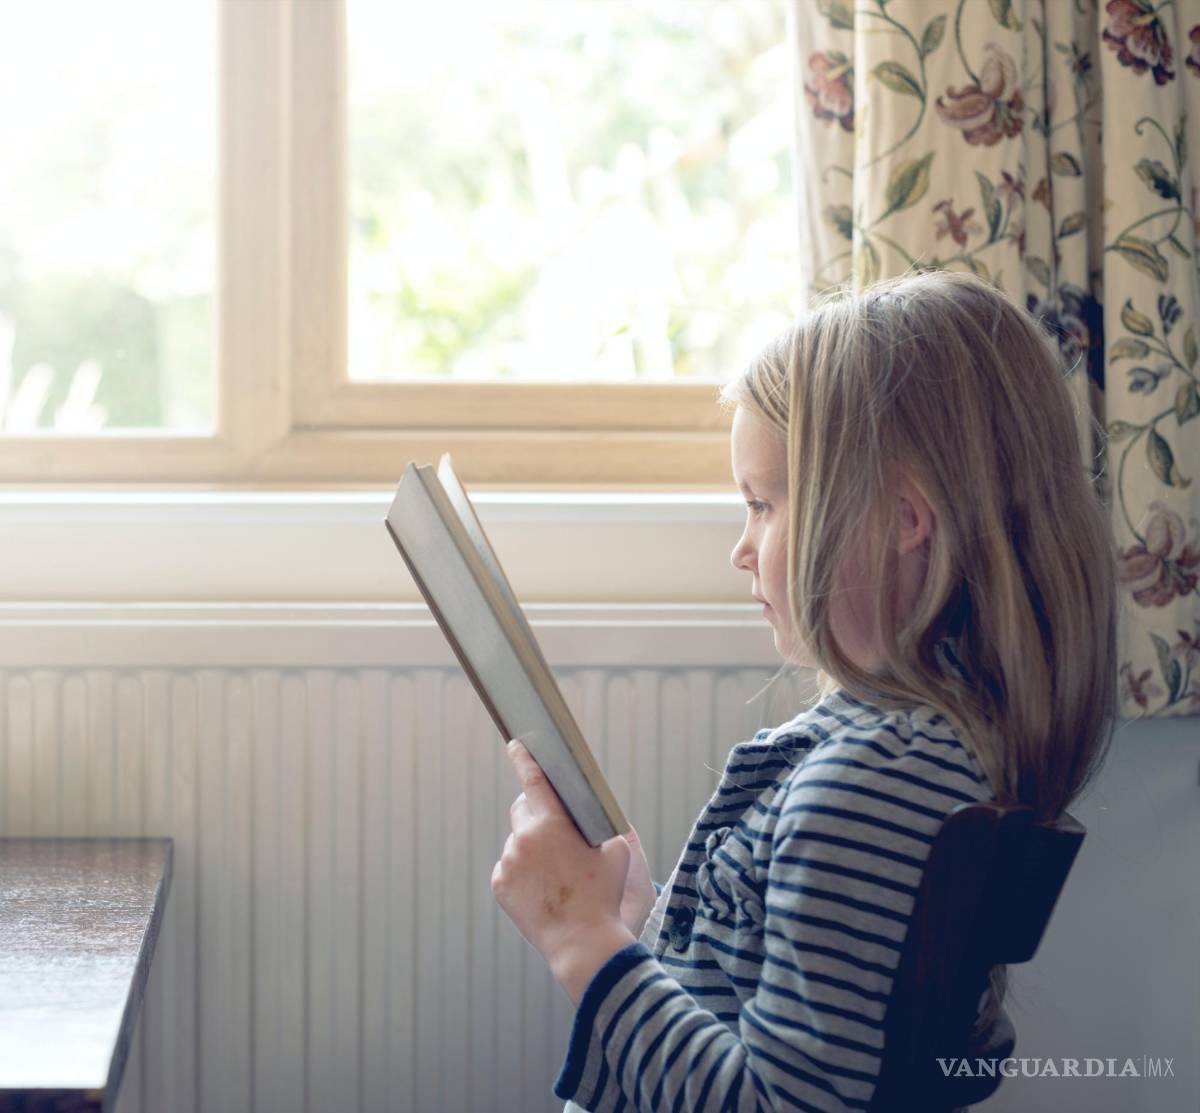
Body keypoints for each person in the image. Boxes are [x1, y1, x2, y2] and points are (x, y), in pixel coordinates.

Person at [490, 269, 1119, 1112]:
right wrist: (644, 930)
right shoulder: (907, 751)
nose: (741, 549)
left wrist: (580, 936)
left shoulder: (868, 785)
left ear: (904, 517)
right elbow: (756, 1011)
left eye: (762, 504)